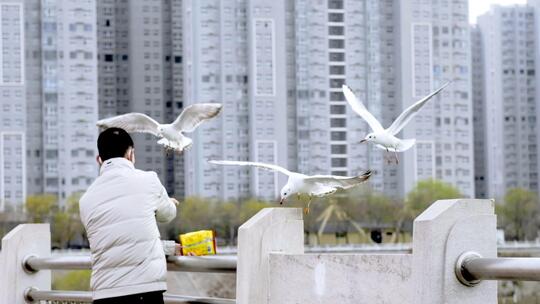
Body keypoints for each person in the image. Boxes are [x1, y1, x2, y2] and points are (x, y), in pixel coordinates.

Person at [79, 128, 178, 304]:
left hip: (104, 294)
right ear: (131, 154)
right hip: (144, 290)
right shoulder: (148, 180)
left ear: (99, 160)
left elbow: (114, 239)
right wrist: (167, 202)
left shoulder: (86, 199)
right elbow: (168, 214)